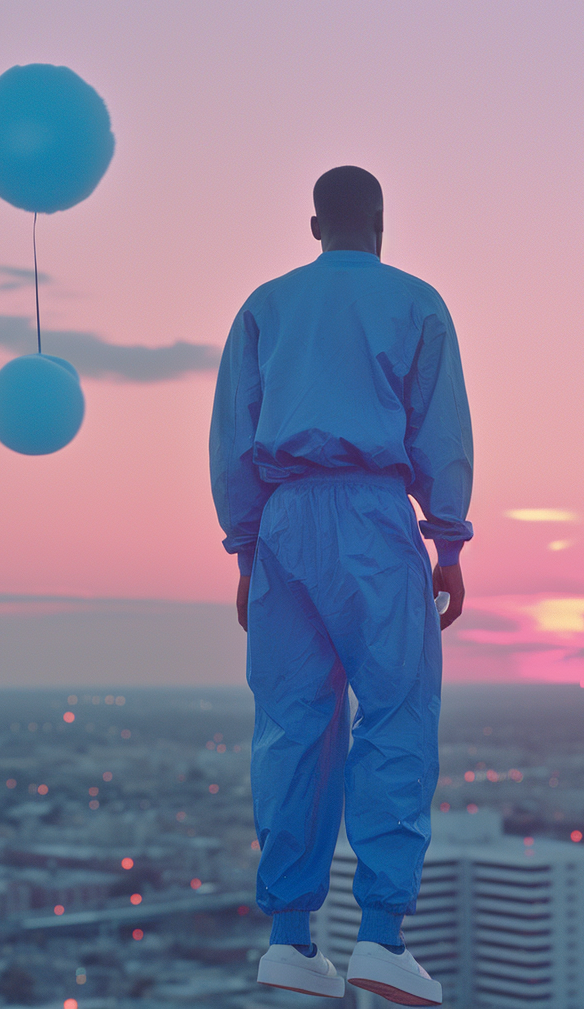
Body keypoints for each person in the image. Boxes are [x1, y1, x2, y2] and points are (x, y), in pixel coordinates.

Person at [210, 165, 473, 1005]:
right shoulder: (417, 302)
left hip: (284, 524)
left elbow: (232, 436)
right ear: (381, 223)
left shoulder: (266, 306)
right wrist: (449, 542)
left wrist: (247, 554)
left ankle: (290, 939)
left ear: (314, 224)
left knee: (291, 728)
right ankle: (383, 938)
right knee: (395, 717)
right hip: (372, 520)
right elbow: (441, 428)